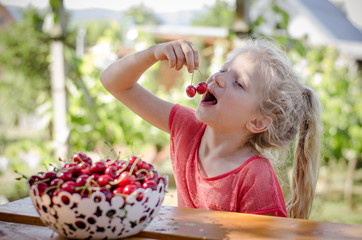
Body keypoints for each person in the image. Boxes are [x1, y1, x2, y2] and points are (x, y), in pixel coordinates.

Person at [100, 38, 322, 219]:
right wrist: (154, 53)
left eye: (239, 83)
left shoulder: (256, 176)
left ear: (258, 122)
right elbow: (114, 82)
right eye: (224, 69)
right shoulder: (186, 127)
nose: (218, 78)